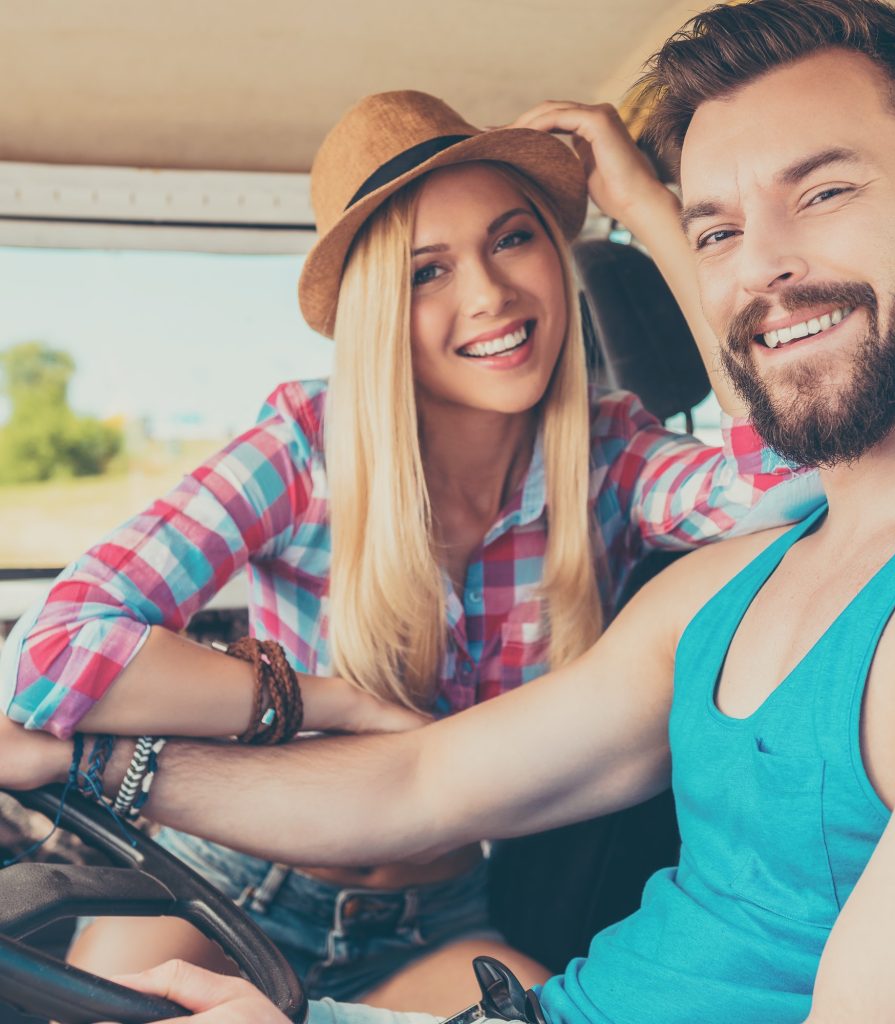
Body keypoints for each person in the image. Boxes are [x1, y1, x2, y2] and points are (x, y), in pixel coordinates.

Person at [0, 90, 821, 1013]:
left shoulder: (612, 456)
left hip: (435, 915)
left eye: (513, 239)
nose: (490, 294)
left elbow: (792, 482)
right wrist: (332, 703)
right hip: (222, 886)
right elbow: (46, 653)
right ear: (376, 309)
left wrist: (649, 213)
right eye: (427, 270)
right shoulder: (306, 446)